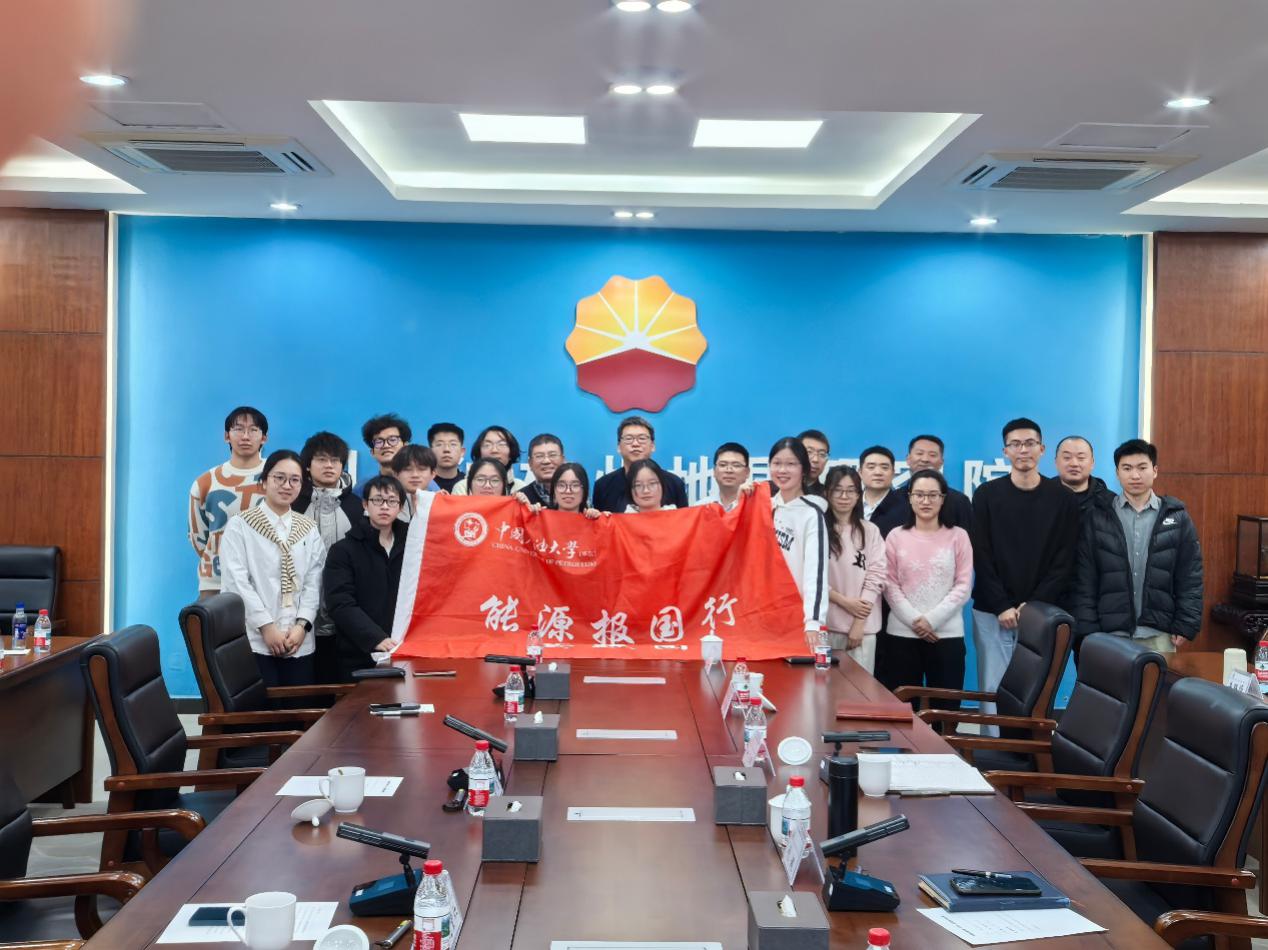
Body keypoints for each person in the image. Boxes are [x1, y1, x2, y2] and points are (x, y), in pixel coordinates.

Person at [971, 418, 1080, 732]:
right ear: (1005, 451)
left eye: (1030, 443)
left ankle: (1030, 753)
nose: (1023, 450)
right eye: (1015, 444)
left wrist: (1033, 606)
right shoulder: (987, 494)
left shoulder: (1063, 499)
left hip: (1042, 613)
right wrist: (1002, 605)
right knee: (991, 689)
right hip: (992, 610)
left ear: (1042, 449)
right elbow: (981, 554)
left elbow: (1064, 560)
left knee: (1037, 689)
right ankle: (991, 751)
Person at [1072, 439, 1203, 655]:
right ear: (1117, 473)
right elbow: (1086, 578)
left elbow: (1190, 575)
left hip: (1159, 633)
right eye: (1127, 468)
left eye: (1142, 468)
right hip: (1110, 634)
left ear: (1155, 470)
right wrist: (1088, 628)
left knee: (1159, 680)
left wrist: (1186, 622)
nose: (1135, 475)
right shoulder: (1098, 517)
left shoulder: (1177, 518)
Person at [219, 450, 326, 687]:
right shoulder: (241, 526)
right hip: (255, 640)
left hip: (299, 642)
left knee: (298, 707)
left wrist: (302, 626)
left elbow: (314, 582)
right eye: (279, 478)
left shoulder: (308, 529)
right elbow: (236, 583)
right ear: (264, 481)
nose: (287, 485)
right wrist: (267, 627)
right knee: (258, 708)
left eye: (295, 480)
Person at [875, 469, 973, 724]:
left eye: (932, 495)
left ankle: (945, 750)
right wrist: (915, 620)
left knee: (946, 711)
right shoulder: (896, 536)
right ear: (909, 498)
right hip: (902, 634)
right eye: (919, 494)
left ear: (943, 499)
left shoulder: (958, 536)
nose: (925, 501)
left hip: (946, 634)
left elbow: (963, 585)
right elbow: (889, 583)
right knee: (903, 712)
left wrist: (931, 620)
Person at [292, 431, 363, 682]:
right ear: (307, 466)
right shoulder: (293, 505)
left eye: (335, 460)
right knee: (304, 682)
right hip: (296, 612)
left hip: (345, 610)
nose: (329, 465)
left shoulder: (357, 507)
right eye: (321, 459)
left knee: (341, 681)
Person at [324, 475, 409, 681]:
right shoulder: (343, 550)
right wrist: (375, 637)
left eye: (392, 501)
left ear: (400, 507)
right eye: (377, 500)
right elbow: (340, 603)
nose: (384, 506)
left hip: (406, 650)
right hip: (358, 655)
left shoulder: (413, 546)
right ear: (365, 504)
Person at [189, 406, 269, 598]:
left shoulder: (278, 476)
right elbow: (198, 537)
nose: (245, 436)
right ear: (227, 436)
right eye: (238, 429)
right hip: (216, 582)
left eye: (253, 430)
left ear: (264, 438)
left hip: (266, 580)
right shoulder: (205, 482)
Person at [824, 465, 886, 671]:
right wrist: (843, 601)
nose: (844, 496)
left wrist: (859, 623)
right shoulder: (817, 529)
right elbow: (809, 577)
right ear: (827, 493)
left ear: (859, 495)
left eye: (851, 490)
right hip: (823, 627)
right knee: (822, 687)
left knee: (859, 688)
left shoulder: (870, 530)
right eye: (838, 490)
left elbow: (876, 576)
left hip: (861, 630)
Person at [767, 437, 830, 636]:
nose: (782, 470)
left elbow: (815, 573)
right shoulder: (763, 506)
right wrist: (742, 499)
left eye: (791, 464)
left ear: (804, 469)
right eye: (777, 463)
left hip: (795, 616)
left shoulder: (811, 514)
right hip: (760, 612)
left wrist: (813, 621)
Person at [593, 416, 689, 513]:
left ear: (652, 446)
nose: (635, 444)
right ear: (618, 447)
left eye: (642, 438)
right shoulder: (603, 485)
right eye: (628, 439)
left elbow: (684, 519)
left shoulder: (674, 483)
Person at [904, 435, 973, 532]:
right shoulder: (893, 500)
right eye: (919, 453)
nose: (925, 459)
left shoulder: (959, 501)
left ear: (941, 462)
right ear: (908, 459)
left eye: (932, 455)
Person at [453, 426, 527, 495]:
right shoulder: (462, 487)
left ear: (511, 453)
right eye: (487, 445)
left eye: (502, 444)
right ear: (479, 453)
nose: (494, 450)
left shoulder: (520, 488)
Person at [858, 445, 909, 538]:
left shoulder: (906, 508)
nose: (878, 472)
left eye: (884, 468)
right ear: (860, 472)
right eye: (871, 467)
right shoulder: (849, 504)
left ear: (893, 473)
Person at [355, 413, 411, 495]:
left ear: (405, 446)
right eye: (379, 441)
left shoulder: (422, 484)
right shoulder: (362, 487)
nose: (386, 445)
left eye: (392, 440)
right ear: (372, 452)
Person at [1055, 435, 1110, 515]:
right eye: (1067, 457)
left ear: (1092, 463)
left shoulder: (1110, 502)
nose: (1074, 464)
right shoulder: (1042, 495)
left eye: (1081, 458)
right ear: (1056, 462)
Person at [389, 444, 438, 519]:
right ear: (395, 474)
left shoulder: (442, 505)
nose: (415, 475)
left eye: (421, 469)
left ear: (433, 473)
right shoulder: (386, 506)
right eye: (407, 469)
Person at [702, 442, 750, 512]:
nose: (729, 470)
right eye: (723, 465)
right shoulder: (701, 507)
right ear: (714, 471)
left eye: (736, 465)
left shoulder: (757, 508)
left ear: (747, 472)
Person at [520, 434, 565, 507]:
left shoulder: (577, 495)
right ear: (530, 463)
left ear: (563, 460)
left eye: (552, 455)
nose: (546, 461)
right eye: (539, 456)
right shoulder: (521, 499)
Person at [428, 422, 466, 493]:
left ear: (462, 452)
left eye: (453, 444)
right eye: (439, 444)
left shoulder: (468, 484)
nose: (446, 449)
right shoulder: (423, 483)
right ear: (430, 451)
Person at [798, 429, 831, 498]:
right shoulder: (776, 489)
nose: (815, 459)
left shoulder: (828, 497)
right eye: (809, 452)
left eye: (822, 454)